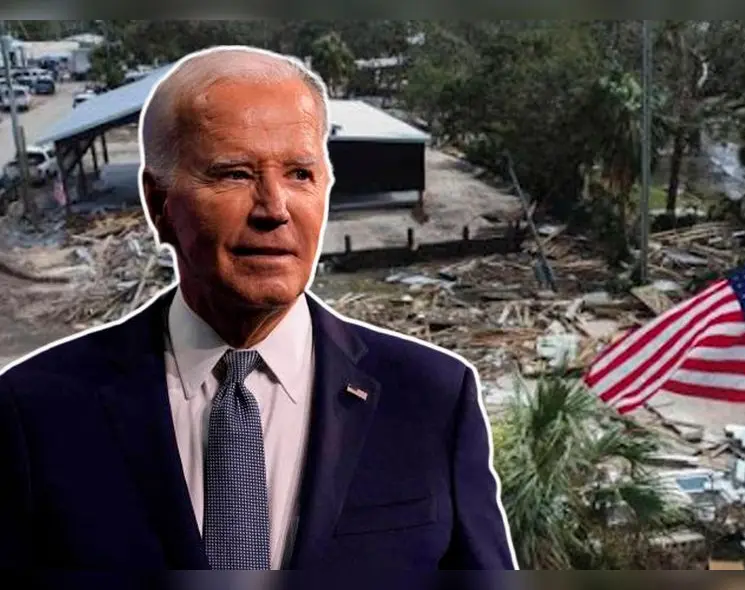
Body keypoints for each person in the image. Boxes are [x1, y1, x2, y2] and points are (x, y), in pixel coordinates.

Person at [0, 46, 517, 570]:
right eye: (234, 174)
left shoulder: (432, 399)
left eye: (299, 174)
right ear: (160, 206)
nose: (274, 208)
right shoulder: (36, 412)